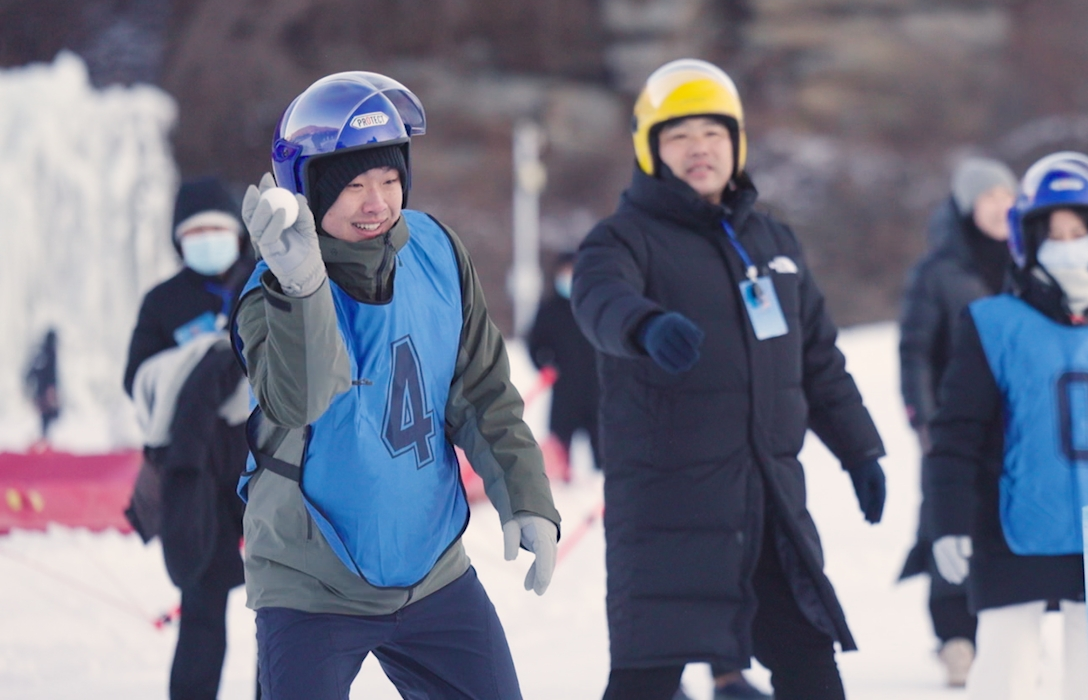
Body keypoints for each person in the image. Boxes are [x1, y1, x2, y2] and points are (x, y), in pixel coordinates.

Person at [231, 72, 559, 700]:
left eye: (388, 179)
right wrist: (300, 284)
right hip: (312, 583)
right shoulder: (264, 295)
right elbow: (302, 398)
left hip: (431, 569)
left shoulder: (437, 251)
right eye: (353, 185)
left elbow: (483, 391)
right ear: (306, 190)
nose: (376, 201)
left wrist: (526, 497)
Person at [571, 58, 887, 700]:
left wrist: (861, 449)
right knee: (645, 678)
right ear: (651, 148)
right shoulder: (623, 239)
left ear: (736, 145)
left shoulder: (773, 242)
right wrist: (645, 326)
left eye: (714, 133)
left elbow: (818, 360)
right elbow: (598, 300)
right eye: (679, 135)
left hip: (767, 505)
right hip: (668, 512)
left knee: (809, 664)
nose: (699, 149)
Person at [925, 151, 1088, 700]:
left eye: (1078, 230)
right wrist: (947, 519)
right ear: (1028, 239)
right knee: (1005, 676)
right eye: (1055, 232)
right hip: (1010, 535)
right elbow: (955, 437)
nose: (1068, 242)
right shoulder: (991, 324)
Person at [122, 177, 256, 700]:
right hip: (194, 469)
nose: (207, 238)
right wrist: (199, 363)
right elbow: (137, 379)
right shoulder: (162, 302)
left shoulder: (262, 284)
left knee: (279, 600)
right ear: (179, 239)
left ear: (238, 234)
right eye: (195, 230)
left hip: (261, 460)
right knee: (202, 600)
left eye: (217, 229)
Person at [896, 156, 1017, 686]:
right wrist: (923, 419)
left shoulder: (1026, 264)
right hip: (953, 427)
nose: (1000, 208)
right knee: (948, 527)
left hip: (1013, 431)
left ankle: (1002, 637)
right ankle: (955, 640)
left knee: (1002, 530)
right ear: (968, 206)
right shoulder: (940, 271)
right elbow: (915, 350)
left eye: (1007, 198)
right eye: (989, 198)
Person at [525, 252, 599, 483]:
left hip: (598, 389)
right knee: (560, 443)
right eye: (565, 273)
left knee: (603, 442)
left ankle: (599, 482)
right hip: (564, 389)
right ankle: (561, 480)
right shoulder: (549, 310)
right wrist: (545, 366)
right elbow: (534, 343)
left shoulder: (595, 307)